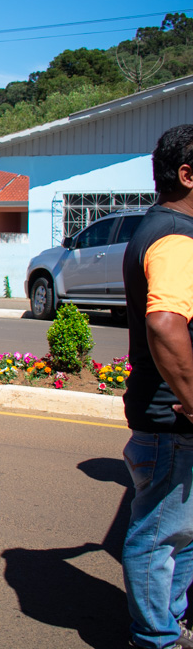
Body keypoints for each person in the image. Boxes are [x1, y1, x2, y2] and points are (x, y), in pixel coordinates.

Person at [121, 125, 193, 649]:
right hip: (173, 421)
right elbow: (166, 323)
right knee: (156, 538)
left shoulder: (161, 229)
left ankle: (170, 621)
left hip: (170, 420)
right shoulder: (174, 238)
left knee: (181, 534)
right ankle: (156, 639)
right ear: (187, 175)